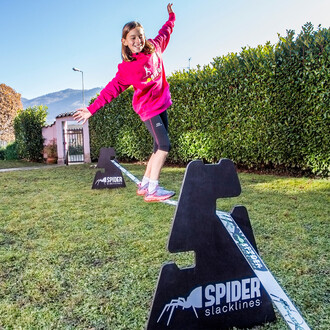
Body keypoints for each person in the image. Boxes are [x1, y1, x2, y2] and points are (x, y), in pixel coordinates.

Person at [74, 3, 176, 202]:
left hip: (162, 103)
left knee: (157, 146)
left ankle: (145, 183)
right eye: (133, 38)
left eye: (140, 36)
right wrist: (91, 109)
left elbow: (166, 30)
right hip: (148, 109)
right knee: (164, 145)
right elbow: (111, 90)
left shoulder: (155, 47)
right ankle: (153, 190)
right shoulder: (127, 69)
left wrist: (171, 17)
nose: (138, 40)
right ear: (125, 42)